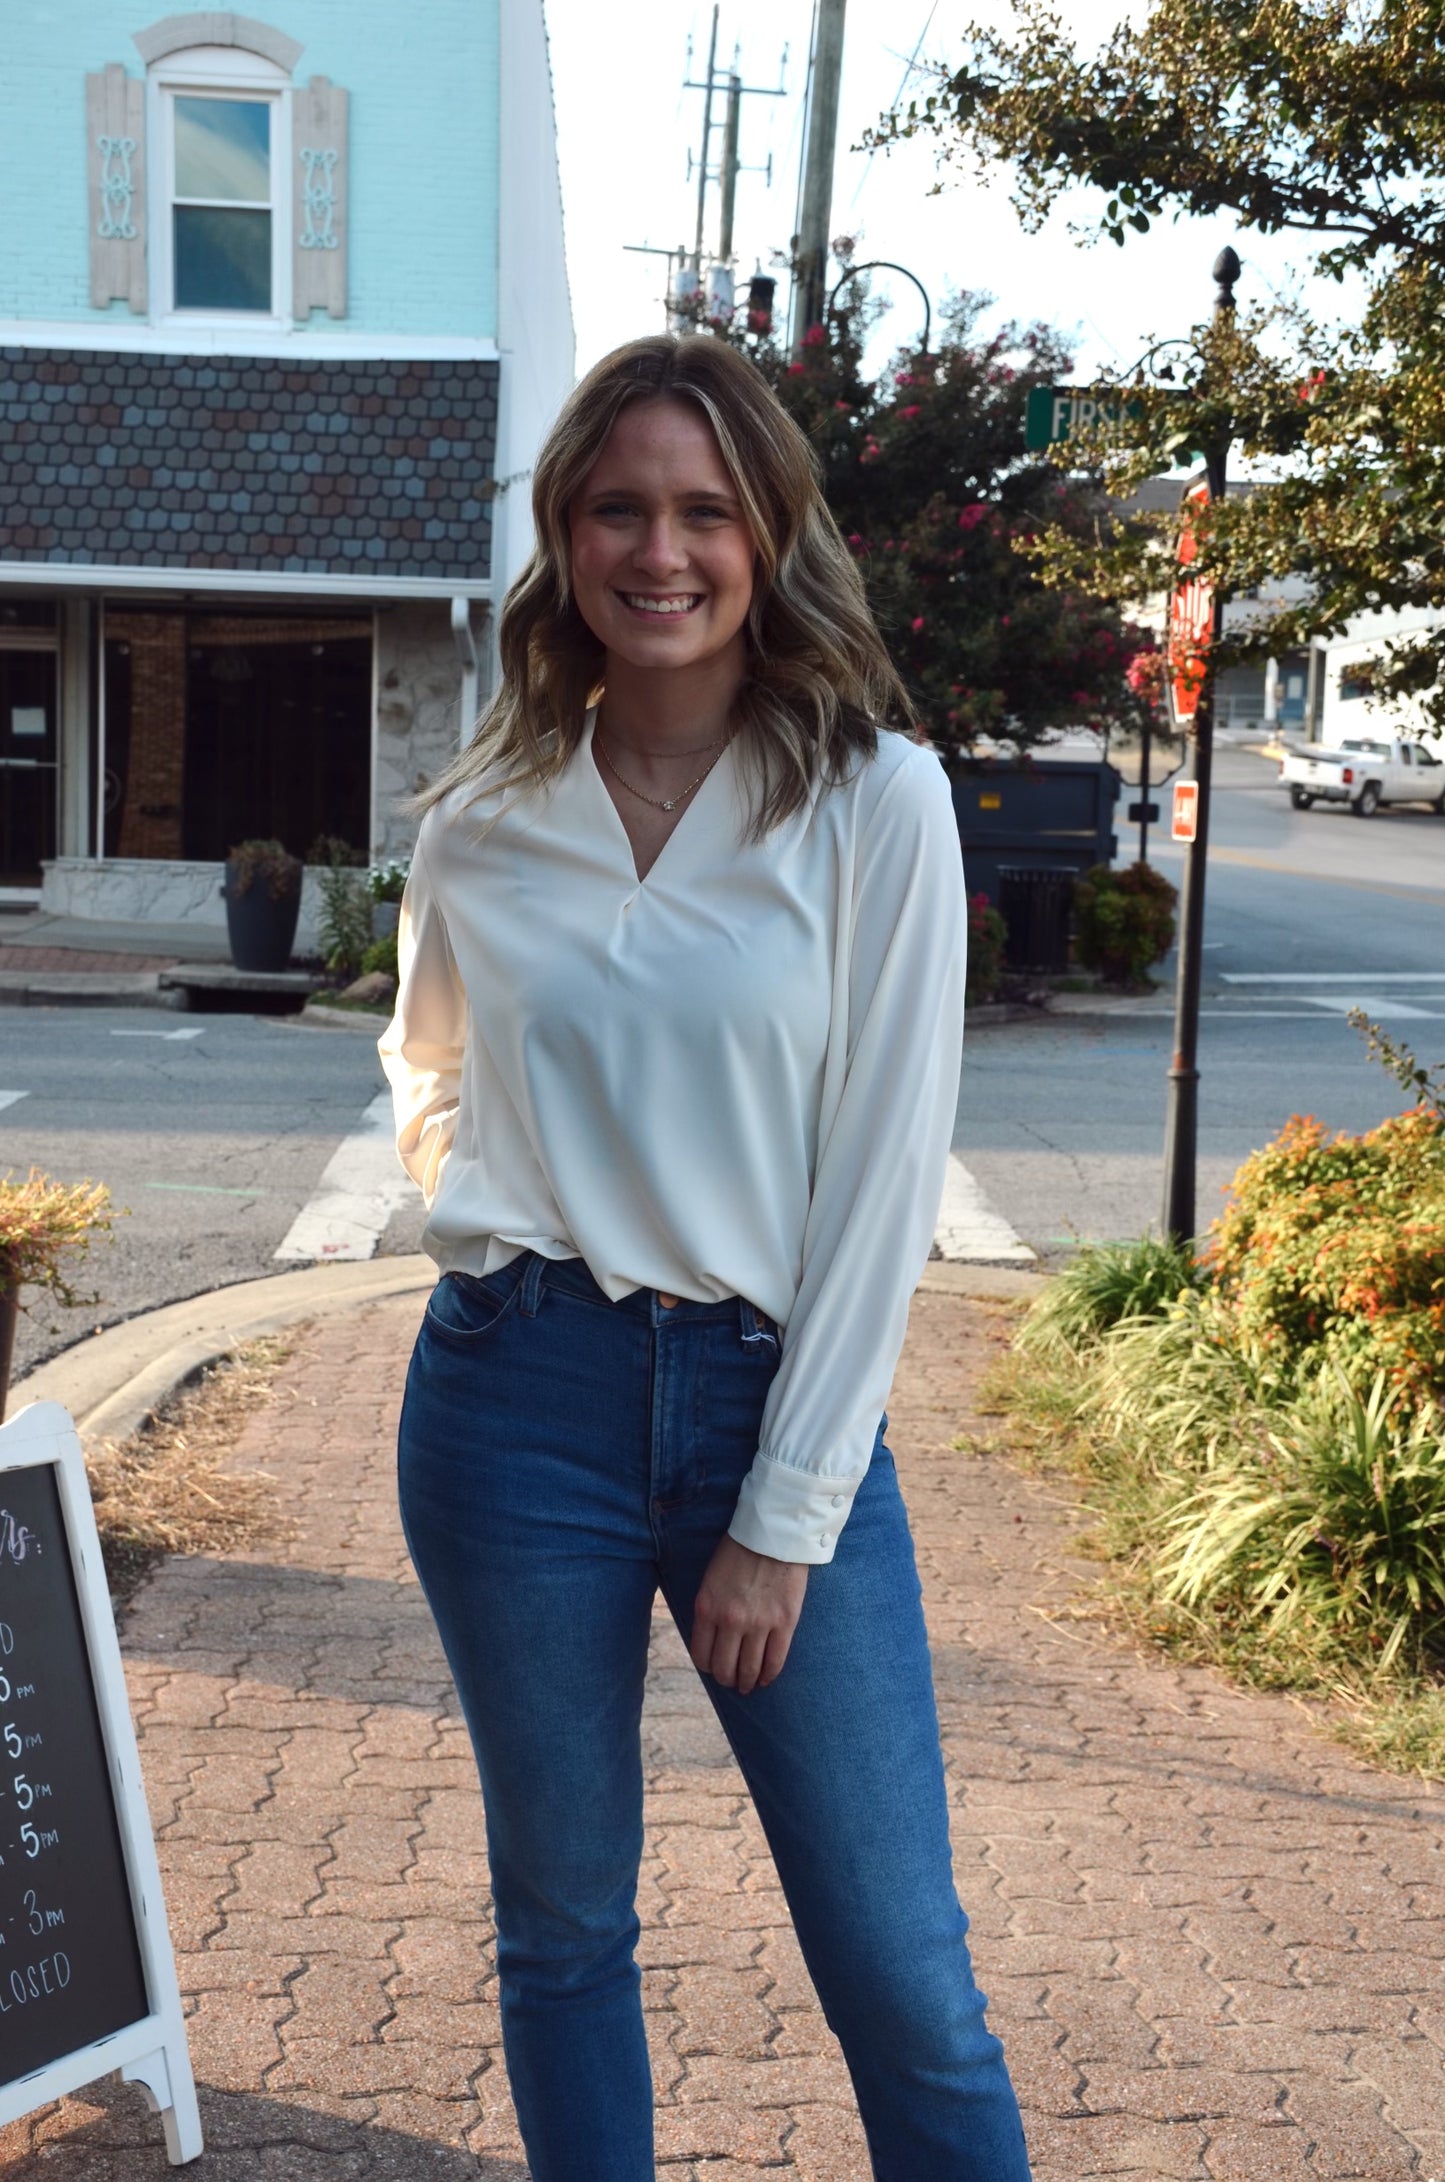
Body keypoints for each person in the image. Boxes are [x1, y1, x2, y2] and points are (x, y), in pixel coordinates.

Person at [379, 332, 1031, 2182]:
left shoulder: (870, 800)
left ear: (766, 535)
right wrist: (484, 1189)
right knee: (566, 1928)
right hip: (515, 1405)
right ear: (564, 538)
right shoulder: (485, 815)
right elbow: (421, 1062)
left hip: (766, 1408)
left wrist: (784, 1510)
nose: (658, 553)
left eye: (701, 511)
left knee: (903, 1970)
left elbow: (882, 1176)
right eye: (616, 510)